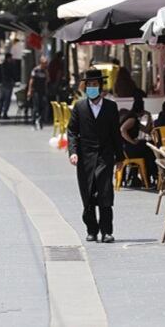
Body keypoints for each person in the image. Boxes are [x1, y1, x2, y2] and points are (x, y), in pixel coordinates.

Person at [67, 69, 124, 244]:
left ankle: (107, 231)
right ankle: (92, 229)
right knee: (88, 193)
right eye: (89, 85)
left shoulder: (110, 107)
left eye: (95, 85)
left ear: (101, 86)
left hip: (105, 156)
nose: (92, 88)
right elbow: (72, 131)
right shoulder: (79, 107)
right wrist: (73, 152)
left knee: (105, 193)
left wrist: (120, 157)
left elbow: (115, 133)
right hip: (85, 158)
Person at [120, 97, 157, 185]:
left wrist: (148, 116)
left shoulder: (135, 119)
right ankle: (152, 176)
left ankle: (147, 178)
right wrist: (132, 142)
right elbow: (122, 130)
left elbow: (147, 130)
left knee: (148, 146)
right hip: (127, 148)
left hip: (127, 147)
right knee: (149, 151)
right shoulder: (132, 119)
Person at [28, 56, 49, 130]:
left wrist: (46, 73)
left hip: (43, 91)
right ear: (41, 63)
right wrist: (29, 91)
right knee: (35, 107)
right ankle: (33, 123)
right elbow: (31, 80)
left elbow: (47, 80)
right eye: (44, 63)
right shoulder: (36, 70)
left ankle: (40, 121)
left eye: (46, 63)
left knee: (43, 107)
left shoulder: (45, 71)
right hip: (36, 91)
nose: (45, 65)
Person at [0, 53, 16, 119]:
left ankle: (0, 113)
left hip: (2, 84)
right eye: (10, 58)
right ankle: (4, 113)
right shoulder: (10, 65)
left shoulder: (2, 65)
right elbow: (12, 74)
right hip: (8, 84)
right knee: (7, 99)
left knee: (2, 99)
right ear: (8, 58)